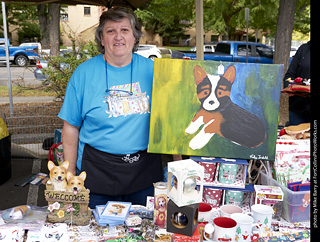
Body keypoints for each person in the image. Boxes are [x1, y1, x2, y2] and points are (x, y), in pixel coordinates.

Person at [58, 7, 180, 208]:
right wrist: (70, 176)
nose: (118, 37)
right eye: (110, 31)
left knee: (144, 234)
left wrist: (179, 167)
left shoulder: (156, 72)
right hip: (96, 172)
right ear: (101, 38)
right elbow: (70, 127)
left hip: (144, 171)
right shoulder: (83, 74)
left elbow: (172, 119)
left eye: (124, 30)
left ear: (134, 37)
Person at [283, 41, 310, 125]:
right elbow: (289, 76)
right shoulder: (303, 48)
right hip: (297, 108)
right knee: (295, 136)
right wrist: (289, 88)